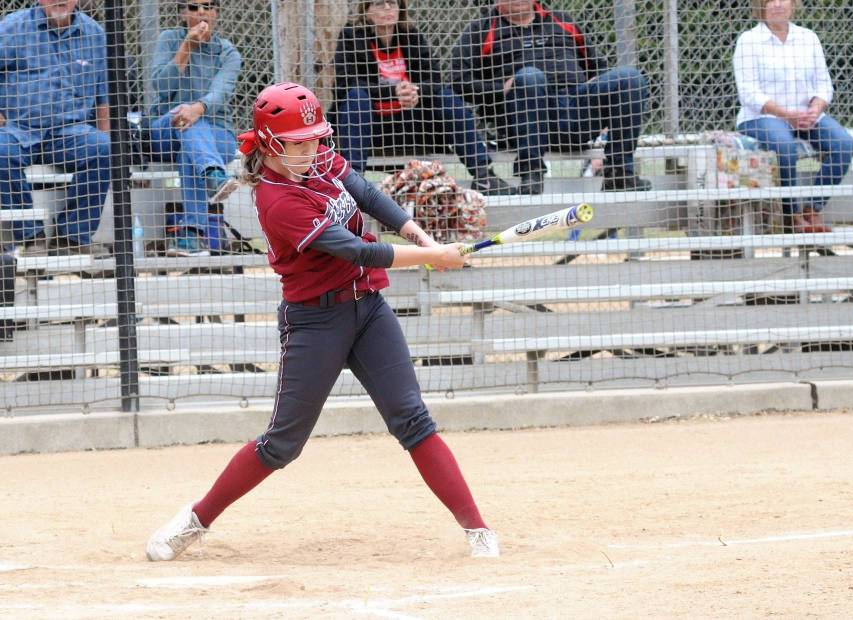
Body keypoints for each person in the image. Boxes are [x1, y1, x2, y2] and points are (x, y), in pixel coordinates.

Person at [145, 82, 499, 561]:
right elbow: (355, 249)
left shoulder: (318, 160)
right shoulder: (277, 200)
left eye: (315, 137)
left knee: (413, 420)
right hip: (316, 322)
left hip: (368, 308)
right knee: (281, 444)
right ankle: (196, 518)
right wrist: (432, 257)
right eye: (299, 141)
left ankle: (477, 529)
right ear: (270, 143)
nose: (313, 147)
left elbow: (368, 195)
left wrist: (415, 230)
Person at [451, 0, 651, 194]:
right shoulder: (481, 30)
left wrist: (595, 80)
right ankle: (531, 173)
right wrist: (500, 89)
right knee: (530, 77)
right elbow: (460, 81)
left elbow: (597, 66)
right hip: (525, 117)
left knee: (630, 78)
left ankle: (619, 173)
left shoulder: (562, 21)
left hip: (578, 109)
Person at [332, 0, 515, 196]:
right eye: (379, 4)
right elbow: (344, 85)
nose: (387, 9)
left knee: (446, 97)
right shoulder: (352, 37)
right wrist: (392, 91)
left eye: (392, 3)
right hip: (373, 125)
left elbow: (436, 79)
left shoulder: (410, 35)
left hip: (413, 123)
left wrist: (414, 90)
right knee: (355, 98)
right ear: (366, 11)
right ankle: (354, 184)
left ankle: (483, 175)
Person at [733, 0, 853, 234]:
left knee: (843, 144)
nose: (777, 5)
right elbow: (749, 94)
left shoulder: (808, 37)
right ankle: (792, 215)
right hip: (762, 117)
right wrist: (787, 115)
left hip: (806, 115)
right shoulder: (748, 41)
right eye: (770, 0)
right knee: (784, 147)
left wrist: (815, 109)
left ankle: (813, 208)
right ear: (761, 6)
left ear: (793, 4)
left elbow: (824, 85)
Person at [0, 0, 110, 256]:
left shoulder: (94, 34)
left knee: (104, 148)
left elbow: (105, 97)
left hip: (71, 132)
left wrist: (107, 136)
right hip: (18, 130)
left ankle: (72, 237)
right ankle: (31, 236)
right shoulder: (13, 27)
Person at [148, 0, 241, 256]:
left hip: (217, 134)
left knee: (190, 144)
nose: (201, 11)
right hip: (166, 129)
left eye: (208, 5)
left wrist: (196, 109)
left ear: (215, 13)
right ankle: (213, 176)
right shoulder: (169, 39)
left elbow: (221, 93)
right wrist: (186, 47)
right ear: (182, 12)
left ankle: (191, 235)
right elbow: (161, 87)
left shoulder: (227, 51)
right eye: (193, 6)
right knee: (183, 116)